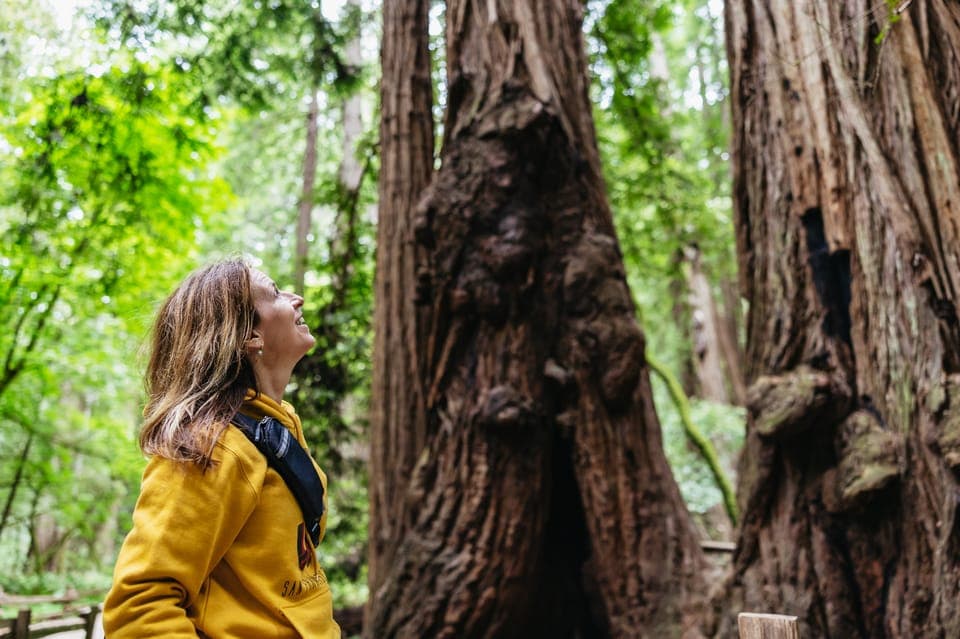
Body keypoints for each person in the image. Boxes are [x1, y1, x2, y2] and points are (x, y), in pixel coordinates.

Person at [103, 259, 340, 638]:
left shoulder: (275, 429)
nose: (297, 299)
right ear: (251, 336)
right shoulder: (210, 448)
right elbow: (140, 608)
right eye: (275, 293)